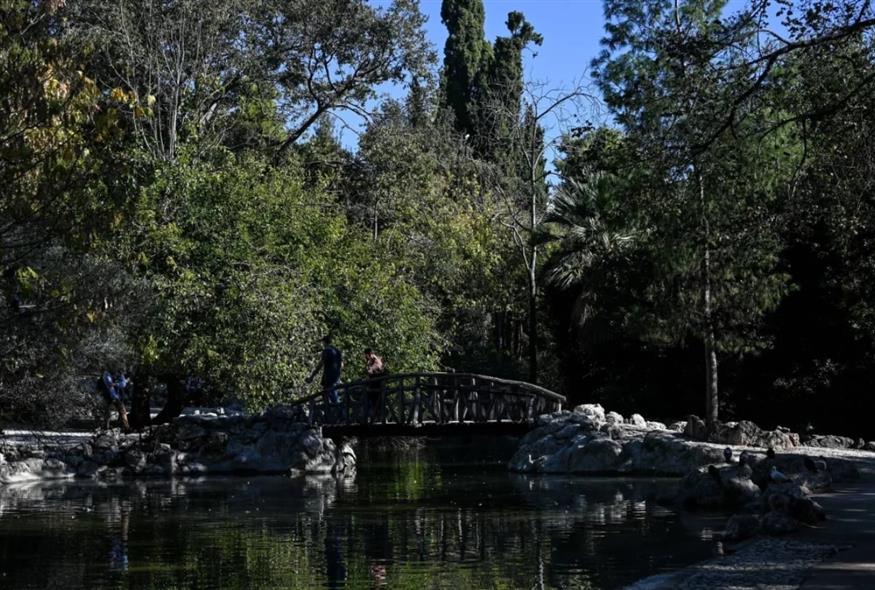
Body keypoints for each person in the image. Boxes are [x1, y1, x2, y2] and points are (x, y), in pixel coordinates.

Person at [307, 335, 343, 404]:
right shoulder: (337, 351)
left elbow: (320, 365)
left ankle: (338, 412)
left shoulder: (326, 351)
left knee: (331, 395)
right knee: (332, 394)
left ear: (324, 342)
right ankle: (336, 411)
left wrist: (312, 377)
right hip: (336, 377)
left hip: (329, 377)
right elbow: (341, 364)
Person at [364, 348, 385, 423]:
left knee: (374, 400)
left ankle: (374, 417)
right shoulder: (377, 358)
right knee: (377, 401)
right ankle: (377, 417)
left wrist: (369, 370)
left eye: (365, 355)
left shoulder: (373, 359)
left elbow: (371, 371)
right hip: (378, 383)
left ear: (368, 354)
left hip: (375, 384)